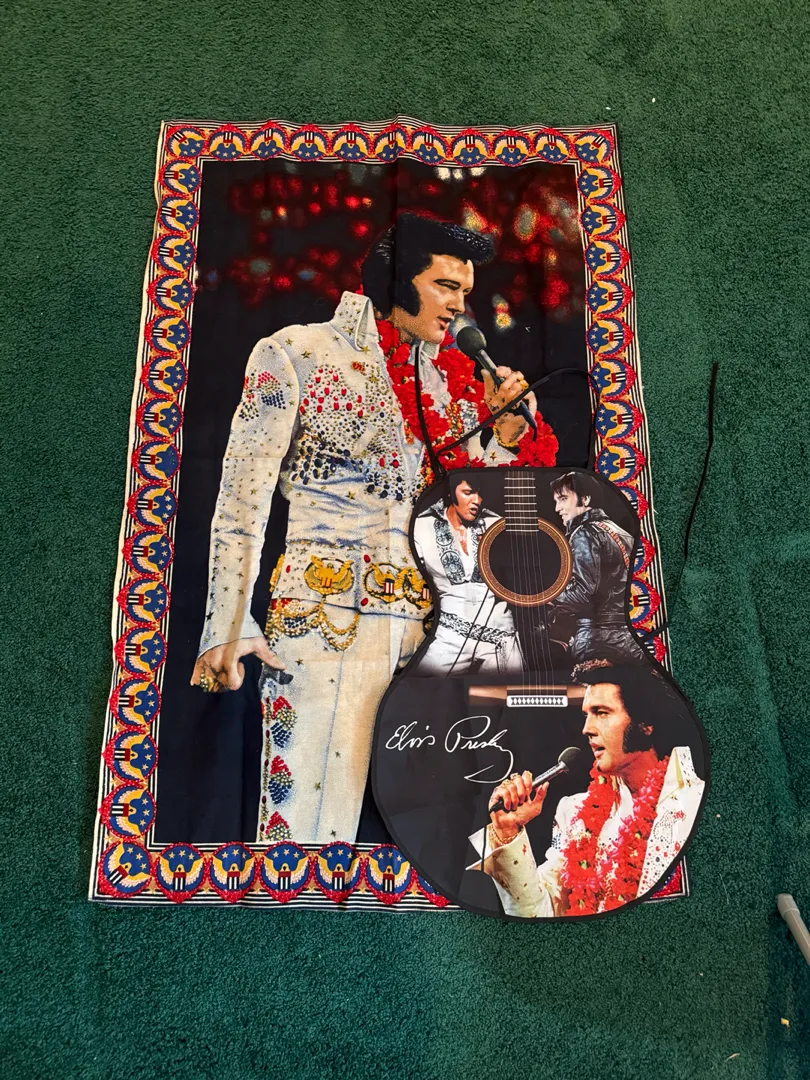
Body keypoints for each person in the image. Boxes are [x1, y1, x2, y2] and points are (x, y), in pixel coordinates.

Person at [191, 211, 559, 845]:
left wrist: (502, 439)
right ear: (396, 280)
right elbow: (241, 497)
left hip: (430, 640)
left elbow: (471, 519)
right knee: (306, 831)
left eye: (466, 292)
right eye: (446, 286)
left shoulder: (452, 390)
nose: (459, 306)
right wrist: (228, 620)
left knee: (438, 845)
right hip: (324, 622)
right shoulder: (299, 352)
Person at [470, 661, 704, 917]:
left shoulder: (693, 805)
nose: (587, 729)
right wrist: (508, 831)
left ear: (646, 723)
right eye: (586, 715)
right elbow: (540, 915)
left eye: (601, 713)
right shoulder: (573, 813)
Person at [412, 474, 522, 675]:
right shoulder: (422, 527)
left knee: (508, 692)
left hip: (499, 634)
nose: (477, 500)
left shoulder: (497, 524)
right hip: (449, 633)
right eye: (468, 493)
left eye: (480, 494)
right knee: (423, 686)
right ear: (450, 493)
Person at [548, 471, 646, 664]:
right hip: (632, 636)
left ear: (585, 499)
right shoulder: (622, 533)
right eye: (556, 501)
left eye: (563, 499)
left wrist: (546, 597)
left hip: (596, 638)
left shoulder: (584, 533)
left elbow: (582, 594)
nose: (557, 508)